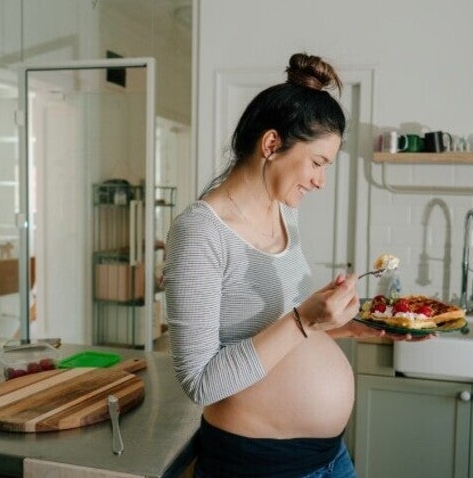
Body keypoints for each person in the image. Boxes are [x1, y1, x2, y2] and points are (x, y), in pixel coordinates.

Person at [164, 52, 428, 478]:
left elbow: (276, 333)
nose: (321, 181)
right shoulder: (200, 232)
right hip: (259, 466)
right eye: (318, 163)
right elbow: (201, 382)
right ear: (271, 145)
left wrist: (350, 324)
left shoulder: (285, 212)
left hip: (330, 458)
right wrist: (306, 320)